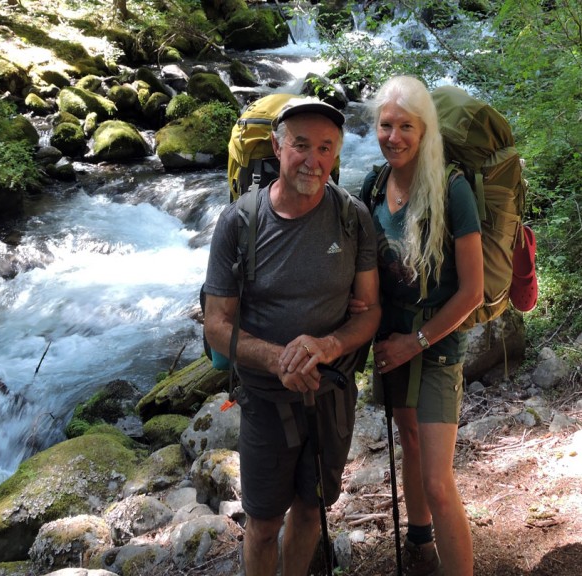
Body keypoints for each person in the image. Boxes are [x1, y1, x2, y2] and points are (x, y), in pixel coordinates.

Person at [203, 97, 380, 576]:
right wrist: (279, 356)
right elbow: (217, 325)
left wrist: (329, 346)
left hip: (332, 397)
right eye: (301, 145)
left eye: (325, 148)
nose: (313, 159)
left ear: (336, 156)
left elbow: (370, 312)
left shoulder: (352, 217)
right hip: (266, 401)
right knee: (261, 523)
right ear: (278, 147)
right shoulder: (240, 222)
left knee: (311, 509)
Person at [354, 76, 483, 576]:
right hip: (391, 343)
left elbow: (471, 291)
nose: (394, 137)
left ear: (425, 130)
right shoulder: (371, 186)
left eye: (406, 126)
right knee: (407, 437)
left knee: (437, 481)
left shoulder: (453, 191)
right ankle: (420, 541)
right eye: (386, 125)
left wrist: (418, 342)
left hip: (437, 345)